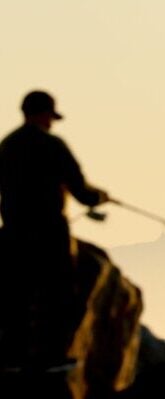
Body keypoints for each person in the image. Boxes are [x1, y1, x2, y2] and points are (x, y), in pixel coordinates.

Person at [0, 90, 109, 367]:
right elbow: (81, 191)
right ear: (44, 114)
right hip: (50, 234)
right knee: (58, 292)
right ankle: (54, 354)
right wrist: (100, 197)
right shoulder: (53, 145)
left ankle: (14, 353)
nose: (52, 123)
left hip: (13, 232)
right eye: (50, 117)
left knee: (18, 295)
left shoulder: (8, 146)